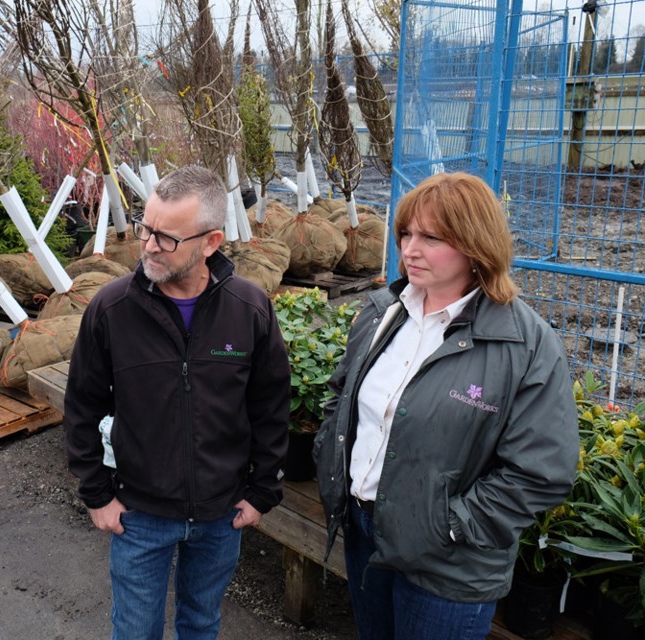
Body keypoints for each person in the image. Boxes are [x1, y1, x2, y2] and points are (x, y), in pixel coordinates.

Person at [314, 171, 579, 640]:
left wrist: (450, 527)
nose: (409, 250)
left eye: (431, 237)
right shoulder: (383, 311)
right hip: (363, 530)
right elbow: (343, 397)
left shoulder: (525, 344)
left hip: (450, 564)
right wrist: (330, 465)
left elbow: (543, 470)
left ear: (476, 246)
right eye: (406, 233)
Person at [64, 165, 290, 639]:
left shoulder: (250, 310)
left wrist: (262, 490)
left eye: (167, 238)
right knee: (135, 631)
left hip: (220, 514)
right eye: (147, 229)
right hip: (139, 515)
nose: (147, 245)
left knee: (201, 624)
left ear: (211, 242)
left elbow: (270, 407)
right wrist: (97, 494)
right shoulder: (111, 310)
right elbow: (82, 406)